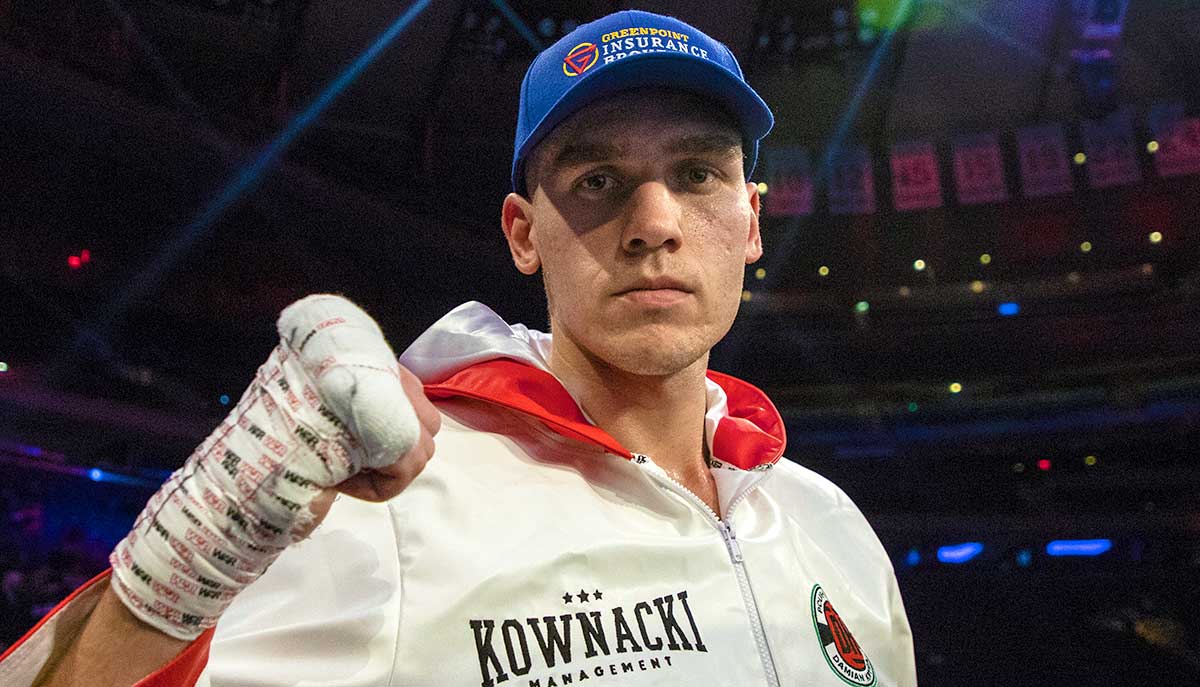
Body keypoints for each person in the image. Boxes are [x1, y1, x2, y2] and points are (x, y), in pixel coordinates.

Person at [1, 10, 915, 687]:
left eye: (698, 173)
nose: (654, 223)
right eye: (599, 180)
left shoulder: (830, 526)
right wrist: (192, 551)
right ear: (523, 233)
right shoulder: (395, 510)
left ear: (750, 221)